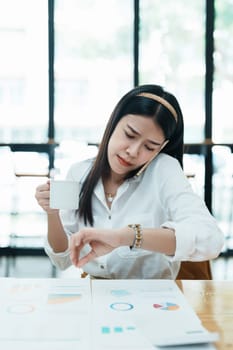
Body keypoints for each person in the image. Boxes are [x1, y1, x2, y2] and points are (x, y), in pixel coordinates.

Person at [35, 84, 224, 279]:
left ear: (162, 147)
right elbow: (62, 259)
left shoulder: (163, 169)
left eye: (150, 147)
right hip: (96, 293)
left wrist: (127, 237)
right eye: (129, 135)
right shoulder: (79, 172)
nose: (133, 152)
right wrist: (52, 214)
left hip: (152, 297)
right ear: (114, 123)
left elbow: (210, 239)